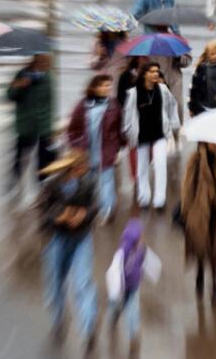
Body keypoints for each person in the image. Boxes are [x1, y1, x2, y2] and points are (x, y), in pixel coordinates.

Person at [36, 151, 99, 352]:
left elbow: (94, 207)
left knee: (82, 283)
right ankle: (58, 321)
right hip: (57, 241)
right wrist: (58, 217)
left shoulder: (88, 183)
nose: (84, 172)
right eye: (81, 168)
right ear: (72, 168)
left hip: (81, 239)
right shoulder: (50, 186)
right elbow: (42, 215)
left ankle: (88, 328)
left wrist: (84, 214)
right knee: (55, 284)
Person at [181, 143, 216, 304]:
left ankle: (215, 287)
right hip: (200, 212)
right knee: (201, 247)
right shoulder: (197, 158)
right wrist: (187, 211)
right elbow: (187, 187)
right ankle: (199, 272)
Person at [123, 62, 181, 211]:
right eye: (152, 71)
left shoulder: (162, 89)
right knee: (141, 168)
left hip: (159, 134)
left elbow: (172, 105)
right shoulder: (134, 93)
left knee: (160, 165)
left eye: (157, 71)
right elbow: (128, 115)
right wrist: (127, 132)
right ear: (144, 74)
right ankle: (144, 198)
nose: (156, 74)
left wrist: (174, 124)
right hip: (141, 136)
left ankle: (159, 201)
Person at [67, 75, 125, 222]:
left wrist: (120, 147)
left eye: (109, 85)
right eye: (104, 85)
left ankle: (107, 210)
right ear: (94, 87)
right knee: (89, 182)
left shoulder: (114, 105)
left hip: (107, 151)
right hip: (87, 153)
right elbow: (73, 129)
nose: (107, 88)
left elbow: (120, 128)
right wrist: (77, 146)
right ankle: (90, 208)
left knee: (107, 181)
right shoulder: (83, 105)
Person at [7, 53, 55, 197]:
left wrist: (50, 128)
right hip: (25, 125)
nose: (41, 66)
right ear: (33, 61)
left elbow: (50, 104)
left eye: (44, 63)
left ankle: (42, 187)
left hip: (43, 126)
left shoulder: (48, 77)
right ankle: (14, 184)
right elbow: (9, 95)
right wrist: (20, 86)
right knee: (19, 157)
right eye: (39, 62)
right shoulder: (21, 74)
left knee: (43, 159)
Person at [108, 214, 147, 353]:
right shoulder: (122, 253)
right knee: (115, 305)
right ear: (134, 238)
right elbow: (114, 270)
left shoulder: (141, 249)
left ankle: (133, 336)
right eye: (141, 235)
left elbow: (146, 262)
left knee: (133, 310)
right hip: (121, 288)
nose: (143, 238)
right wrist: (116, 286)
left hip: (134, 287)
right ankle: (113, 317)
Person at [188, 40, 216, 117]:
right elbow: (194, 88)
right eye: (212, 54)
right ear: (207, 55)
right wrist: (192, 107)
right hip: (204, 106)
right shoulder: (201, 68)